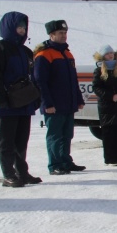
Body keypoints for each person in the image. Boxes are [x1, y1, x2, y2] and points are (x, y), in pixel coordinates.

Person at [0, 11, 43, 186]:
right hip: (6, 104)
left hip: (24, 103)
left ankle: (22, 172)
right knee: (7, 141)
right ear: (9, 27)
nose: (22, 31)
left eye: (24, 27)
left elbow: (32, 76)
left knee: (21, 140)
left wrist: (36, 97)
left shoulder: (25, 51)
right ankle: (8, 174)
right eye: (19, 27)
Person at [33, 20, 86, 175]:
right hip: (54, 104)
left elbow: (73, 80)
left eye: (65, 33)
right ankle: (55, 164)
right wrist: (47, 103)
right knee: (55, 136)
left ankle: (65, 161)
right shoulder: (44, 54)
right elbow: (40, 82)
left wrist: (78, 98)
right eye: (60, 33)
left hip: (68, 103)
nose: (64, 36)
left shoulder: (67, 53)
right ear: (52, 35)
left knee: (67, 134)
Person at [92, 45, 117, 166]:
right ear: (103, 56)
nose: (110, 55)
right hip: (107, 107)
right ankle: (110, 158)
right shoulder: (99, 70)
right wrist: (110, 96)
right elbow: (96, 87)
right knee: (108, 133)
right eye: (108, 54)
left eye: (112, 53)